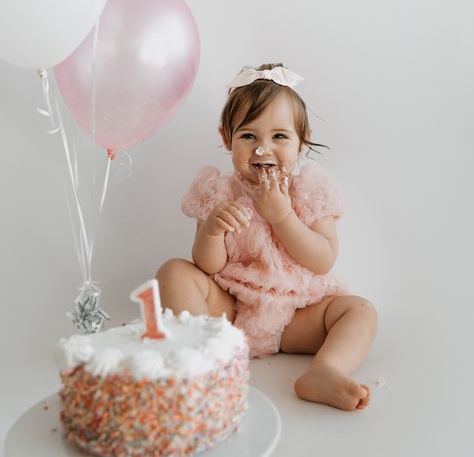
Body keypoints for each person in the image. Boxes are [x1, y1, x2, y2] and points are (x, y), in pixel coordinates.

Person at [157, 63, 378, 411]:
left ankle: (325, 371)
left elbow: (323, 259)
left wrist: (282, 216)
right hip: (231, 312)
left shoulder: (309, 189)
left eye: (279, 137)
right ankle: (205, 362)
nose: (263, 149)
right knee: (174, 271)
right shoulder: (218, 191)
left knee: (360, 311)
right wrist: (213, 230)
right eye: (248, 136)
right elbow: (207, 265)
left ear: (300, 141)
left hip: (297, 316)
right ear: (226, 138)